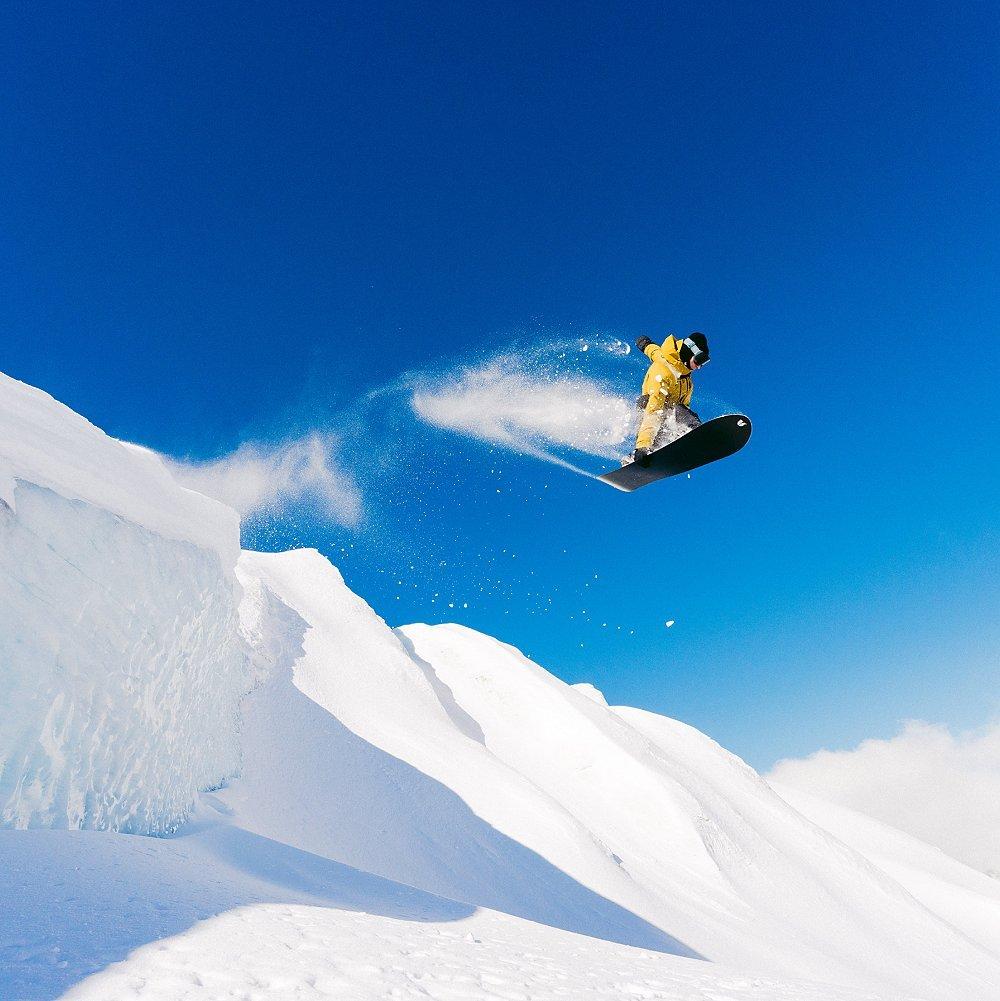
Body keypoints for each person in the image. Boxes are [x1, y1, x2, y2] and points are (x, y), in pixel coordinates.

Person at [629, 332, 710, 466]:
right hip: (650, 407)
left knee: (679, 411)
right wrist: (643, 445)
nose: (699, 366)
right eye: (698, 360)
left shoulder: (687, 382)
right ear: (688, 353)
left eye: (703, 362)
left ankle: (688, 433)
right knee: (655, 423)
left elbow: (654, 351)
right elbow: (653, 410)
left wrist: (646, 345)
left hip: (667, 413)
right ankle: (641, 452)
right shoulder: (663, 372)